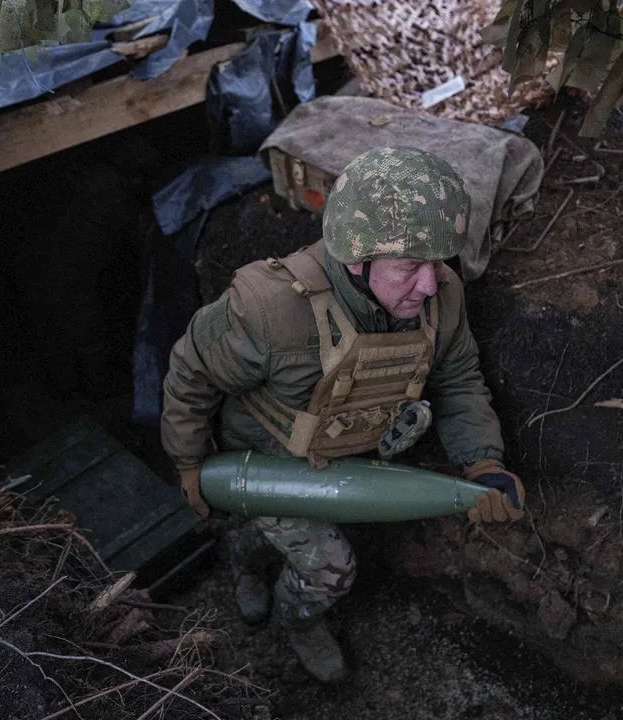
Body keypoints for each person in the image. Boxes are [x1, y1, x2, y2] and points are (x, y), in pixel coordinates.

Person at [160, 146, 525, 683]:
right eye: (409, 267)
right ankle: (298, 618)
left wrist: (483, 464)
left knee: (267, 532)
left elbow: (459, 377)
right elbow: (191, 370)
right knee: (331, 568)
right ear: (358, 256)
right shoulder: (270, 309)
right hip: (265, 457)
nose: (430, 285)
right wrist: (189, 459)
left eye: (437, 263)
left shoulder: (440, 296)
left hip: (346, 453)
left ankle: (249, 552)